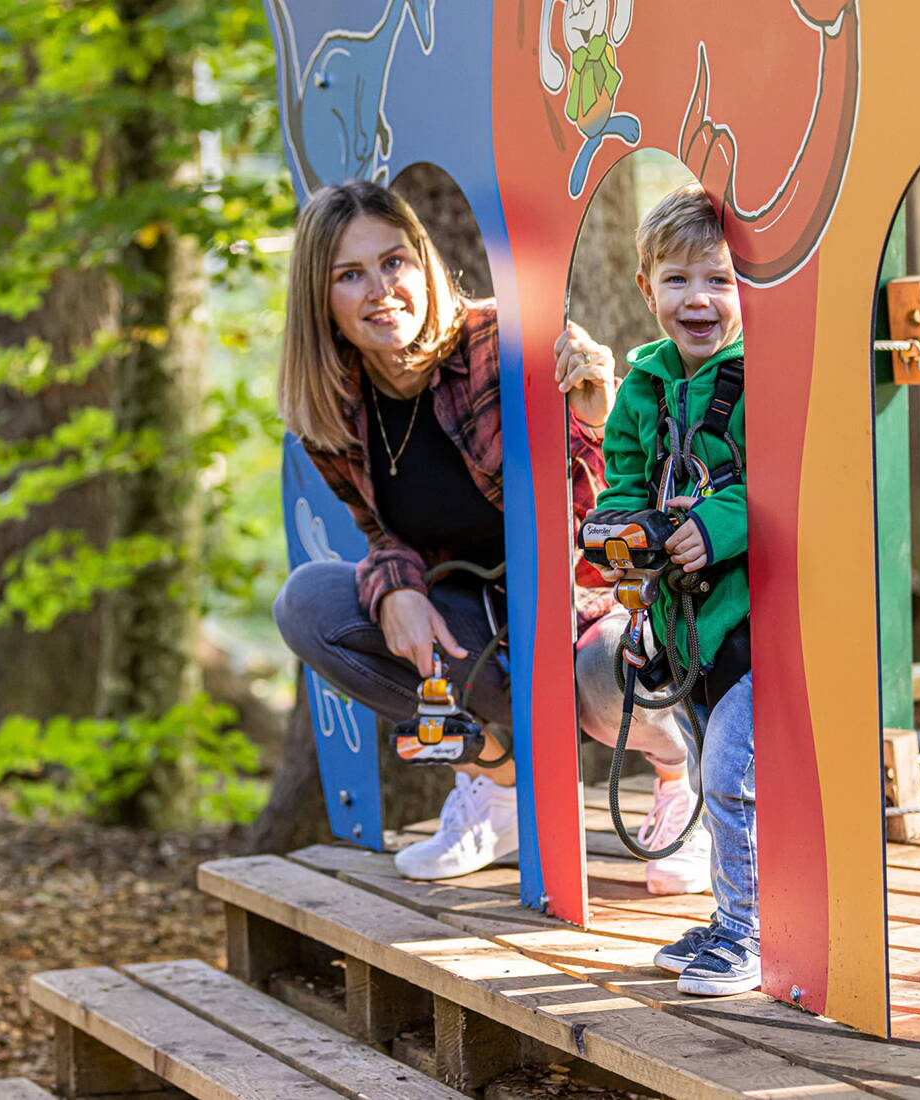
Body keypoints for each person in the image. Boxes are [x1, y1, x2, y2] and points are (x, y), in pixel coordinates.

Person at [272, 180, 702, 886]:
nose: (381, 290)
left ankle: (685, 785)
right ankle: (498, 784)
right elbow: (380, 533)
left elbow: (611, 504)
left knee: (604, 674)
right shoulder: (332, 409)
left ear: (422, 263)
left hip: (589, 606)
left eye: (394, 262)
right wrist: (395, 590)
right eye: (350, 274)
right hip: (485, 625)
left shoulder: (500, 341)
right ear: (320, 298)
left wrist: (595, 418)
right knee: (308, 603)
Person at [578, 183, 757, 995]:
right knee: (717, 770)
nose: (699, 299)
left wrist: (717, 523)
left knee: (730, 777)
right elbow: (622, 476)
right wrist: (620, 532)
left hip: (750, 619)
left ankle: (750, 933)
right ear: (645, 287)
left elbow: (782, 476)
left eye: (720, 279)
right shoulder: (645, 385)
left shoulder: (759, 378)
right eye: (678, 279)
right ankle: (732, 916)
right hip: (683, 626)